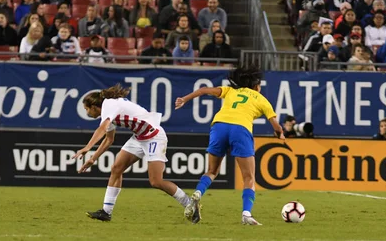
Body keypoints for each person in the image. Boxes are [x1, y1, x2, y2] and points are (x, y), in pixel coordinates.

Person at [174, 65, 284, 225]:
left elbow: (204, 90)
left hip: (218, 126)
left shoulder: (230, 91)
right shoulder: (261, 99)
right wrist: (280, 133)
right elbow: (276, 125)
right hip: (240, 129)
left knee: (212, 171)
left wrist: (184, 99)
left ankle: (197, 193)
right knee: (249, 177)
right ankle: (246, 214)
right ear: (256, 86)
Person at [73, 84, 192, 222]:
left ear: (94, 106)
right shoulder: (108, 113)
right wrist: (93, 158)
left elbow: (101, 129)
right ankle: (106, 212)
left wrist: (87, 147)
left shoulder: (109, 105)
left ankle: (189, 203)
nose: (88, 113)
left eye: (87, 109)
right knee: (116, 168)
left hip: (154, 136)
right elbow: (109, 139)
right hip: (139, 137)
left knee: (156, 181)